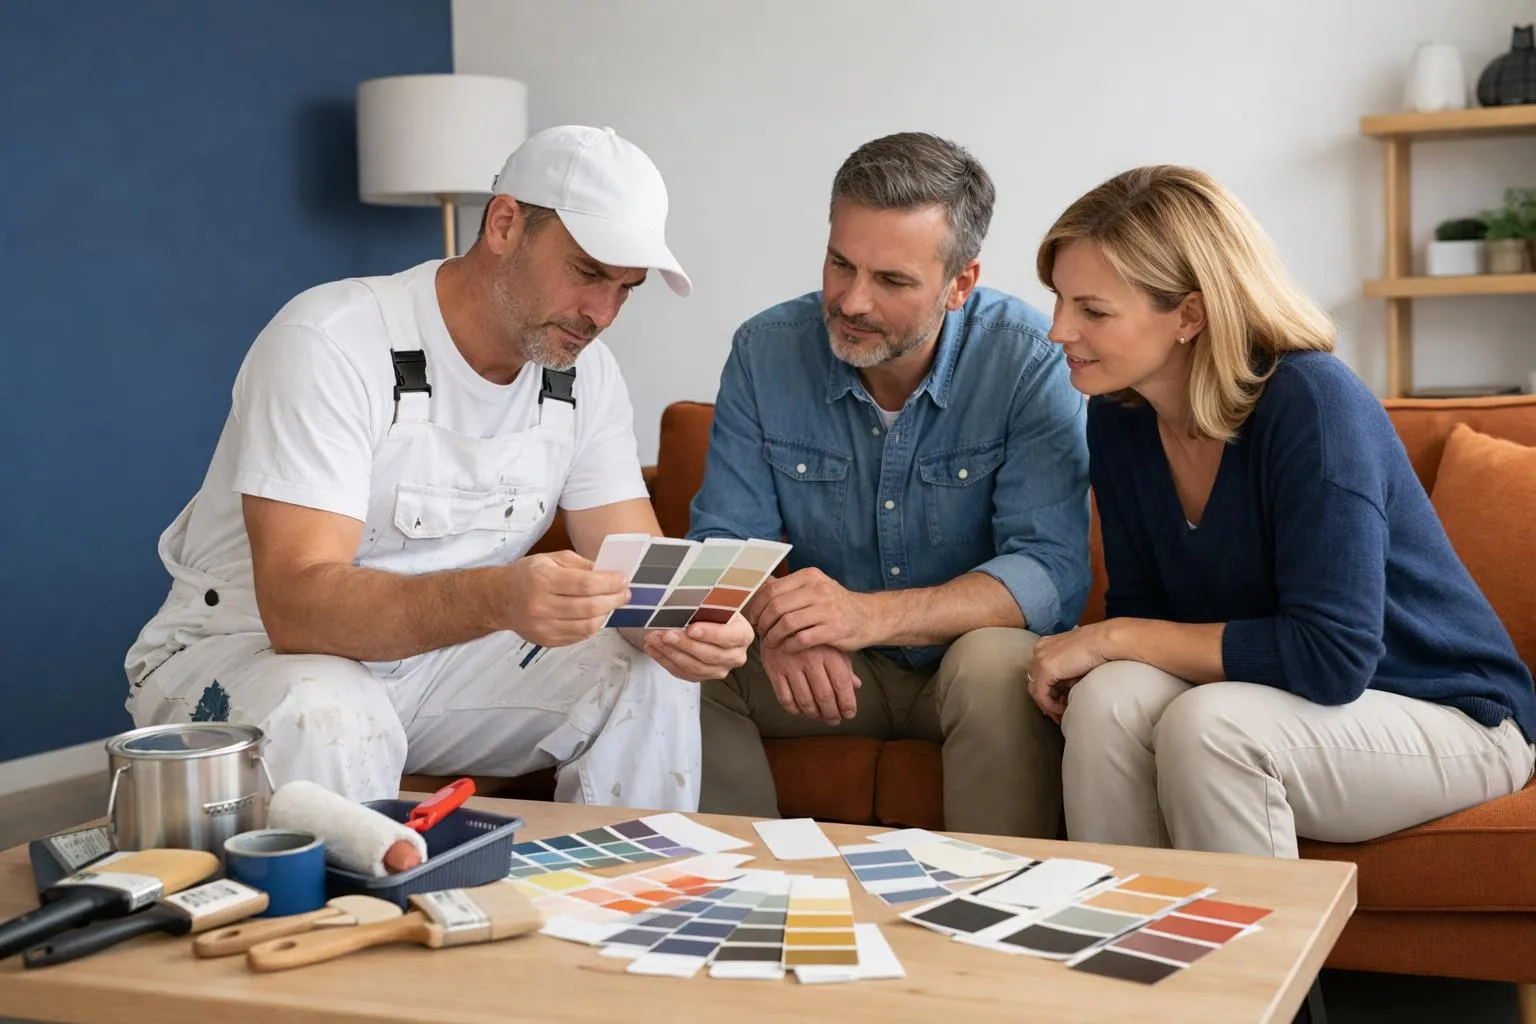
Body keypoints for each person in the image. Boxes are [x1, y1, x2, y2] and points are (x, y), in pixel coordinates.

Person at [125, 125, 753, 807]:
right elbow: (296, 610)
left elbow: (636, 572)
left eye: (627, 288)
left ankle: (631, 870)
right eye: (587, 272)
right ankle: (366, 885)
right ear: (505, 224)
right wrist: (498, 596)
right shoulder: (332, 340)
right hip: (249, 657)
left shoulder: (586, 376)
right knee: (329, 707)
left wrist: (690, 625)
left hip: (434, 668)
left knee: (648, 668)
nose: (602, 313)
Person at [1030, 164, 1536, 857]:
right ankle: (1125, 925)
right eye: (1059, 300)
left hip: (1449, 714)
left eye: (1092, 310)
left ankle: (1248, 936)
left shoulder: (1314, 404)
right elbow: (1147, 613)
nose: (1058, 330)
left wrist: (1110, 637)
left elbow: (1332, 657)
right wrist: (1116, 646)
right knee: (1106, 699)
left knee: (1211, 726)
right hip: (1291, 704)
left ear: (1189, 315)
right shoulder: (1120, 417)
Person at [689, 132, 1091, 837]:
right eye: (840, 264)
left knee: (996, 665)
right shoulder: (764, 350)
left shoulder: (1029, 359)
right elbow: (723, 542)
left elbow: (1048, 570)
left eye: (892, 281)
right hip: (826, 673)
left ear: (960, 283)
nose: (851, 301)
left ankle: (988, 894)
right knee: (694, 664)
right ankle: (739, 887)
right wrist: (780, 622)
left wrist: (865, 616)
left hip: (963, 669)